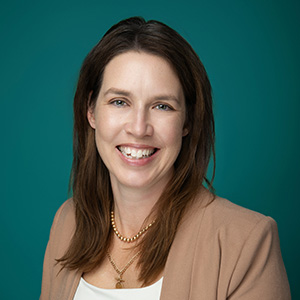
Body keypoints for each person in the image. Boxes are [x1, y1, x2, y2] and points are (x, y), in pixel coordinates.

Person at [40, 17, 290, 300]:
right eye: (120, 102)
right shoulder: (67, 221)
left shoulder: (246, 242)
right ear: (91, 111)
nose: (138, 127)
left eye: (162, 106)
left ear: (187, 122)